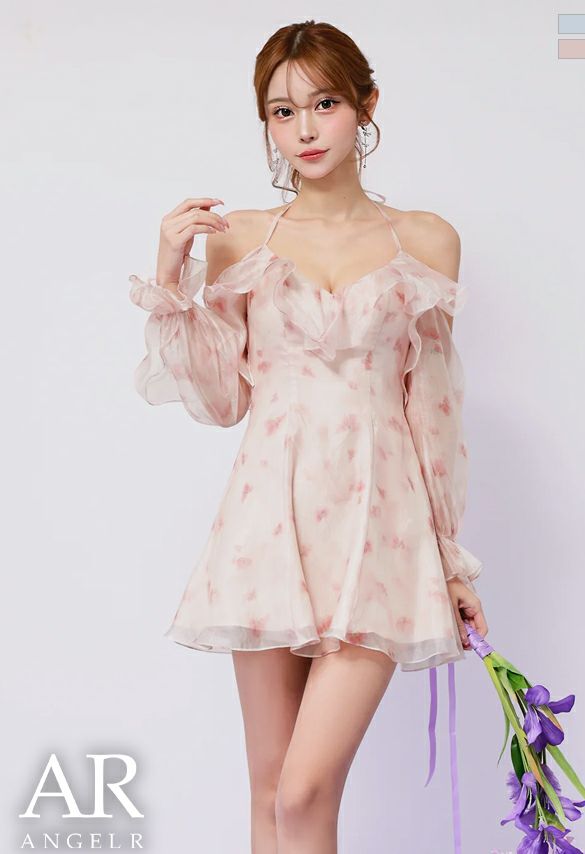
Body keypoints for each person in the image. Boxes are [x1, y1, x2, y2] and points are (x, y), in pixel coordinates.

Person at [129, 19, 489, 854]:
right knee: (269, 793)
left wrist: (449, 558)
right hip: (267, 526)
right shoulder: (242, 239)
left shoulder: (426, 240)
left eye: (324, 104)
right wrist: (172, 275)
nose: (304, 130)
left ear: (366, 104)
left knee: (305, 791)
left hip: (381, 532)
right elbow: (223, 399)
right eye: (282, 112)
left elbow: (433, 408)